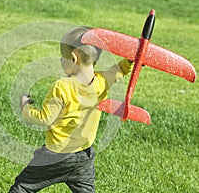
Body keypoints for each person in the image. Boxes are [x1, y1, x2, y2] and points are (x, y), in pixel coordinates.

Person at [9, 26, 133, 192]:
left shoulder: (62, 86)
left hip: (55, 156)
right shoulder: (101, 82)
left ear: (74, 59)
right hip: (84, 156)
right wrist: (130, 61)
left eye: (63, 57)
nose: (61, 61)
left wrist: (25, 108)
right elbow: (117, 72)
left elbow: (45, 118)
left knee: (23, 187)